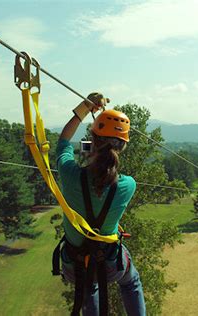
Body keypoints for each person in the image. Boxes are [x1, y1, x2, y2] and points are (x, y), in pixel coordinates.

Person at [56, 93, 146, 316]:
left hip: (74, 264)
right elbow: (99, 167)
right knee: (131, 282)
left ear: (92, 142)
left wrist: (86, 108)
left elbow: (63, 143)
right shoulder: (128, 185)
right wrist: (95, 142)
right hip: (111, 265)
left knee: (89, 286)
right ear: (123, 147)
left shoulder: (70, 174)